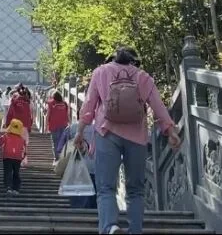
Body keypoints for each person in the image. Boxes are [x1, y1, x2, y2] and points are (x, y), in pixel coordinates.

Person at [73, 47, 181, 235]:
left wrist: (80, 131)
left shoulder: (101, 72)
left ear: (113, 58)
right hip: (137, 137)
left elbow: (89, 106)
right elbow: (158, 106)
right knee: (136, 190)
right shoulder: (142, 76)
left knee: (106, 188)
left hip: (107, 133)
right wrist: (170, 130)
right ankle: (135, 230)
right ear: (134, 61)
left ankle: (110, 227)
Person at [65, 121, 96, 209]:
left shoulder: (72, 128)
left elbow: (62, 148)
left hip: (77, 166)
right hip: (95, 166)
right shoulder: (99, 127)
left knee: (77, 194)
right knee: (94, 194)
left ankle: (78, 210)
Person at [0, 118, 27, 195]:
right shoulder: (22, 139)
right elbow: (24, 149)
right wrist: (23, 157)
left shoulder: (6, 136)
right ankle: (16, 188)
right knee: (16, 172)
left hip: (7, 157)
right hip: (17, 158)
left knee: (8, 172)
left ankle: (8, 187)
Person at [46, 91, 71, 163]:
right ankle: (62, 158)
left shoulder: (51, 103)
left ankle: (56, 159)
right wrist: (70, 124)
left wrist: (46, 126)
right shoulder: (65, 104)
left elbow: (48, 115)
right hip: (64, 125)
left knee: (55, 142)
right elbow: (68, 115)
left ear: (53, 97)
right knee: (62, 142)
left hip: (54, 126)